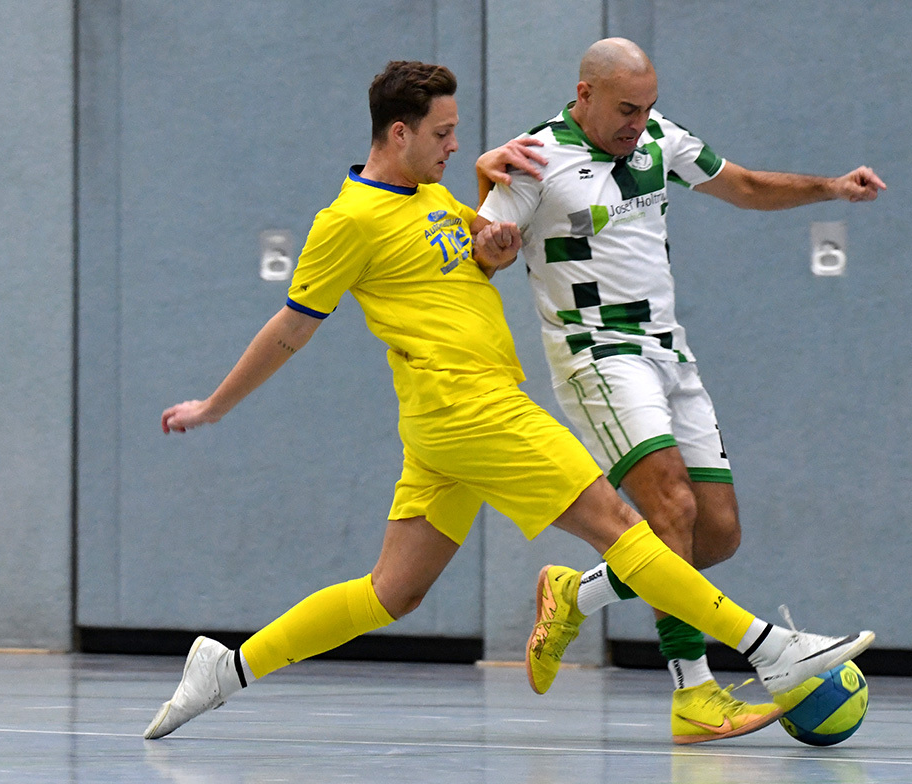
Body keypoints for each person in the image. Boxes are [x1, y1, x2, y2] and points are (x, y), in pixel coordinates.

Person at [143, 59, 873, 743]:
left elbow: (475, 264)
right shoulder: (349, 220)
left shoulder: (428, 194)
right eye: (442, 133)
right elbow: (290, 329)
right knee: (621, 523)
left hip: (444, 423)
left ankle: (227, 668)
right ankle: (770, 649)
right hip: (472, 408)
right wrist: (214, 406)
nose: (458, 145)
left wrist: (490, 241)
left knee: (392, 592)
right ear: (399, 134)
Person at [475, 38, 886, 744]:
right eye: (626, 109)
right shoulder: (533, 158)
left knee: (713, 534)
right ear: (585, 95)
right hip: (597, 353)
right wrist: (492, 247)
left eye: (647, 108)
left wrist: (830, 187)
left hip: (670, 353)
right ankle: (693, 694)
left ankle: (577, 592)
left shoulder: (660, 140)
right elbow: (482, 245)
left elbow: (746, 185)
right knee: (671, 507)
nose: (638, 122)